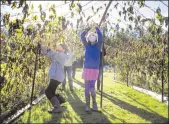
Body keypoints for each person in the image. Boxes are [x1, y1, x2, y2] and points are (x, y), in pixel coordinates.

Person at [38, 43, 68, 113]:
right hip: (55, 77)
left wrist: (48, 49)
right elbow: (48, 55)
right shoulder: (57, 54)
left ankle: (57, 107)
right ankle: (60, 100)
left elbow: (54, 54)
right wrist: (42, 49)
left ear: (64, 49)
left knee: (48, 92)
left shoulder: (63, 56)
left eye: (60, 47)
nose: (58, 48)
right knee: (51, 91)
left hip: (57, 77)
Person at [80, 25, 103, 112]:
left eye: (94, 36)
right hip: (86, 69)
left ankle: (94, 104)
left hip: (94, 70)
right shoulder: (86, 45)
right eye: (90, 36)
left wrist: (97, 29)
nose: (92, 37)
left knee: (91, 87)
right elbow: (82, 36)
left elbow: (100, 38)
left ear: (95, 38)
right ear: (88, 38)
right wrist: (87, 29)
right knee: (86, 87)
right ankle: (87, 105)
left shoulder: (98, 46)